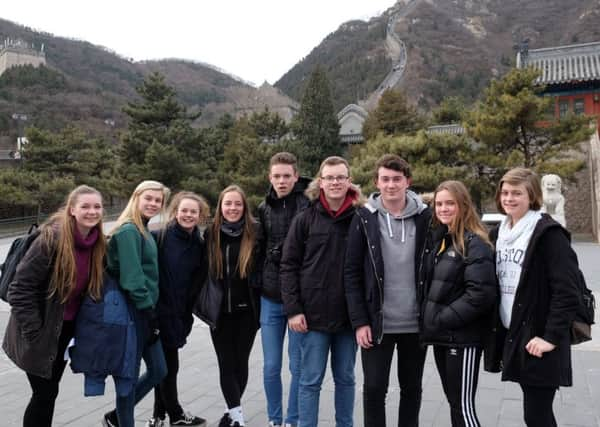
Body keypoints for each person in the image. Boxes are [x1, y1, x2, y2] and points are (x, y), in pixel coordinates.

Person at [3, 185, 106, 427]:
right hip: (40, 331)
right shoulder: (51, 239)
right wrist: (35, 334)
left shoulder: (96, 242)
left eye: (97, 206)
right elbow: (18, 289)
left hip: (66, 331)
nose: (92, 211)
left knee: (49, 394)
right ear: (72, 209)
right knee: (44, 394)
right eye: (85, 206)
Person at [485, 167, 580, 427]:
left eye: (517, 193)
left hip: (539, 335)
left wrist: (550, 337)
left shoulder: (548, 234)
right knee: (534, 412)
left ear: (532, 196)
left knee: (537, 415)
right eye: (505, 192)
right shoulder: (499, 234)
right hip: (514, 332)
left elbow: (568, 291)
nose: (509, 198)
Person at [344, 154, 431, 427]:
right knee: (373, 391)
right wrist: (359, 322)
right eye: (385, 179)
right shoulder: (363, 217)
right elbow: (351, 272)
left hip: (416, 323)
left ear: (408, 182)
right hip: (377, 323)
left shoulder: (426, 217)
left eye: (397, 179)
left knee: (412, 390)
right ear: (376, 183)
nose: (391, 185)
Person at [281, 156, 364, 427]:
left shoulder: (362, 218)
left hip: (348, 317)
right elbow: (289, 266)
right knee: (309, 380)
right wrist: (293, 310)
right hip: (312, 317)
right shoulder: (304, 218)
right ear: (321, 182)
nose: (335, 182)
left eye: (341, 177)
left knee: (346, 379)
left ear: (349, 181)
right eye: (330, 178)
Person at [419, 181, 496, 427]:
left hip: (462, 339)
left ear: (463, 205)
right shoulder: (443, 240)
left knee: (463, 408)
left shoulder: (475, 243)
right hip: (444, 337)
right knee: (454, 404)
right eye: (439, 204)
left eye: (449, 203)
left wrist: (441, 318)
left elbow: (480, 295)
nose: (443, 208)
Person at [103, 180, 170, 427]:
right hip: (133, 314)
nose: (153, 203)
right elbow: (132, 279)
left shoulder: (142, 229)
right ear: (136, 198)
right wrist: (148, 313)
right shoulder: (130, 230)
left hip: (143, 312)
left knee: (158, 370)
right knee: (128, 379)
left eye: (158, 200)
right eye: (149, 198)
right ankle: (124, 421)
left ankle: (117, 417)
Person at [195, 185, 262, 427]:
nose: (232, 208)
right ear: (220, 207)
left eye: (237, 204)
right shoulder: (210, 234)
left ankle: (231, 413)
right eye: (228, 204)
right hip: (219, 313)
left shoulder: (255, 232)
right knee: (226, 363)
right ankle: (237, 418)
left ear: (244, 207)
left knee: (240, 363)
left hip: (248, 312)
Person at [146, 192, 210, 427]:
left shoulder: (199, 244)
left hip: (180, 315)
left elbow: (196, 282)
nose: (188, 215)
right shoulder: (158, 237)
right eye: (184, 210)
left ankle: (158, 416)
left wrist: (187, 313)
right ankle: (175, 414)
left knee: (163, 367)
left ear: (200, 215)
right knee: (166, 367)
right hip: (157, 314)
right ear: (175, 211)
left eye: (193, 211)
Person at [257, 152, 310, 427]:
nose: (281, 181)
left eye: (286, 176)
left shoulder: (308, 205)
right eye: (276, 176)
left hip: (300, 300)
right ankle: (274, 419)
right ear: (270, 177)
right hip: (270, 298)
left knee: (297, 366)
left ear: (296, 177)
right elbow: (257, 250)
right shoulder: (263, 208)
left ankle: (293, 419)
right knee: (270, 366)